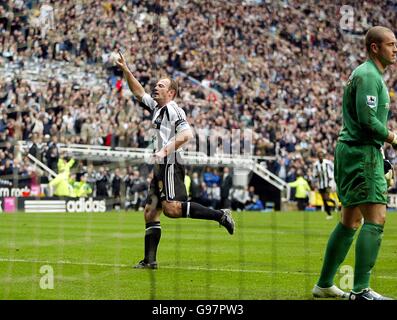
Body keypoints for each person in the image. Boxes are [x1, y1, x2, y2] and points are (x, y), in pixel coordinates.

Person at [116, 51, 235, 269]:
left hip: (170, 162)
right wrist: (126, 71)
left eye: (161, 86)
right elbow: (138, 92)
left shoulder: (172, 109)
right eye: (156, 85)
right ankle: (150, 261)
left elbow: (186, 134)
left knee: (171, 209)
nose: (155, 87)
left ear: (171, 92)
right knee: (151, 212)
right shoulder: (157, 108)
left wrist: (163, 152)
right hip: (160, 165)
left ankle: (220, 215)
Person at [313, 26, 397, 300]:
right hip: (360, 154)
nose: (395, 49)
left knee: (350, 220)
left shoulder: (367, 75)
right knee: (377, 218)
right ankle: (361, 290)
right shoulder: (369, 75)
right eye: (390, 44)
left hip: (356, 151)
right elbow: (368, 121)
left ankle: (324, 284)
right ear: (375, 47)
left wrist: (381, 155)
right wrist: (394, 138)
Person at [312, 149, 337, 219]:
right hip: (320, 184)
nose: (320, 157)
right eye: (319, 156)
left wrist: (331, 176)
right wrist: (317, 175)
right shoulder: (316, 165)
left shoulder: (328, 163)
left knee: (326, 198)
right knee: (324, 200)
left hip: (328, 183)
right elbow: (314, 175)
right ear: (318, 157)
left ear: (323, 156)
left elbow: (334, 168)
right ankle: (329, 214)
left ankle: (334, 202)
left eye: (321, 156)